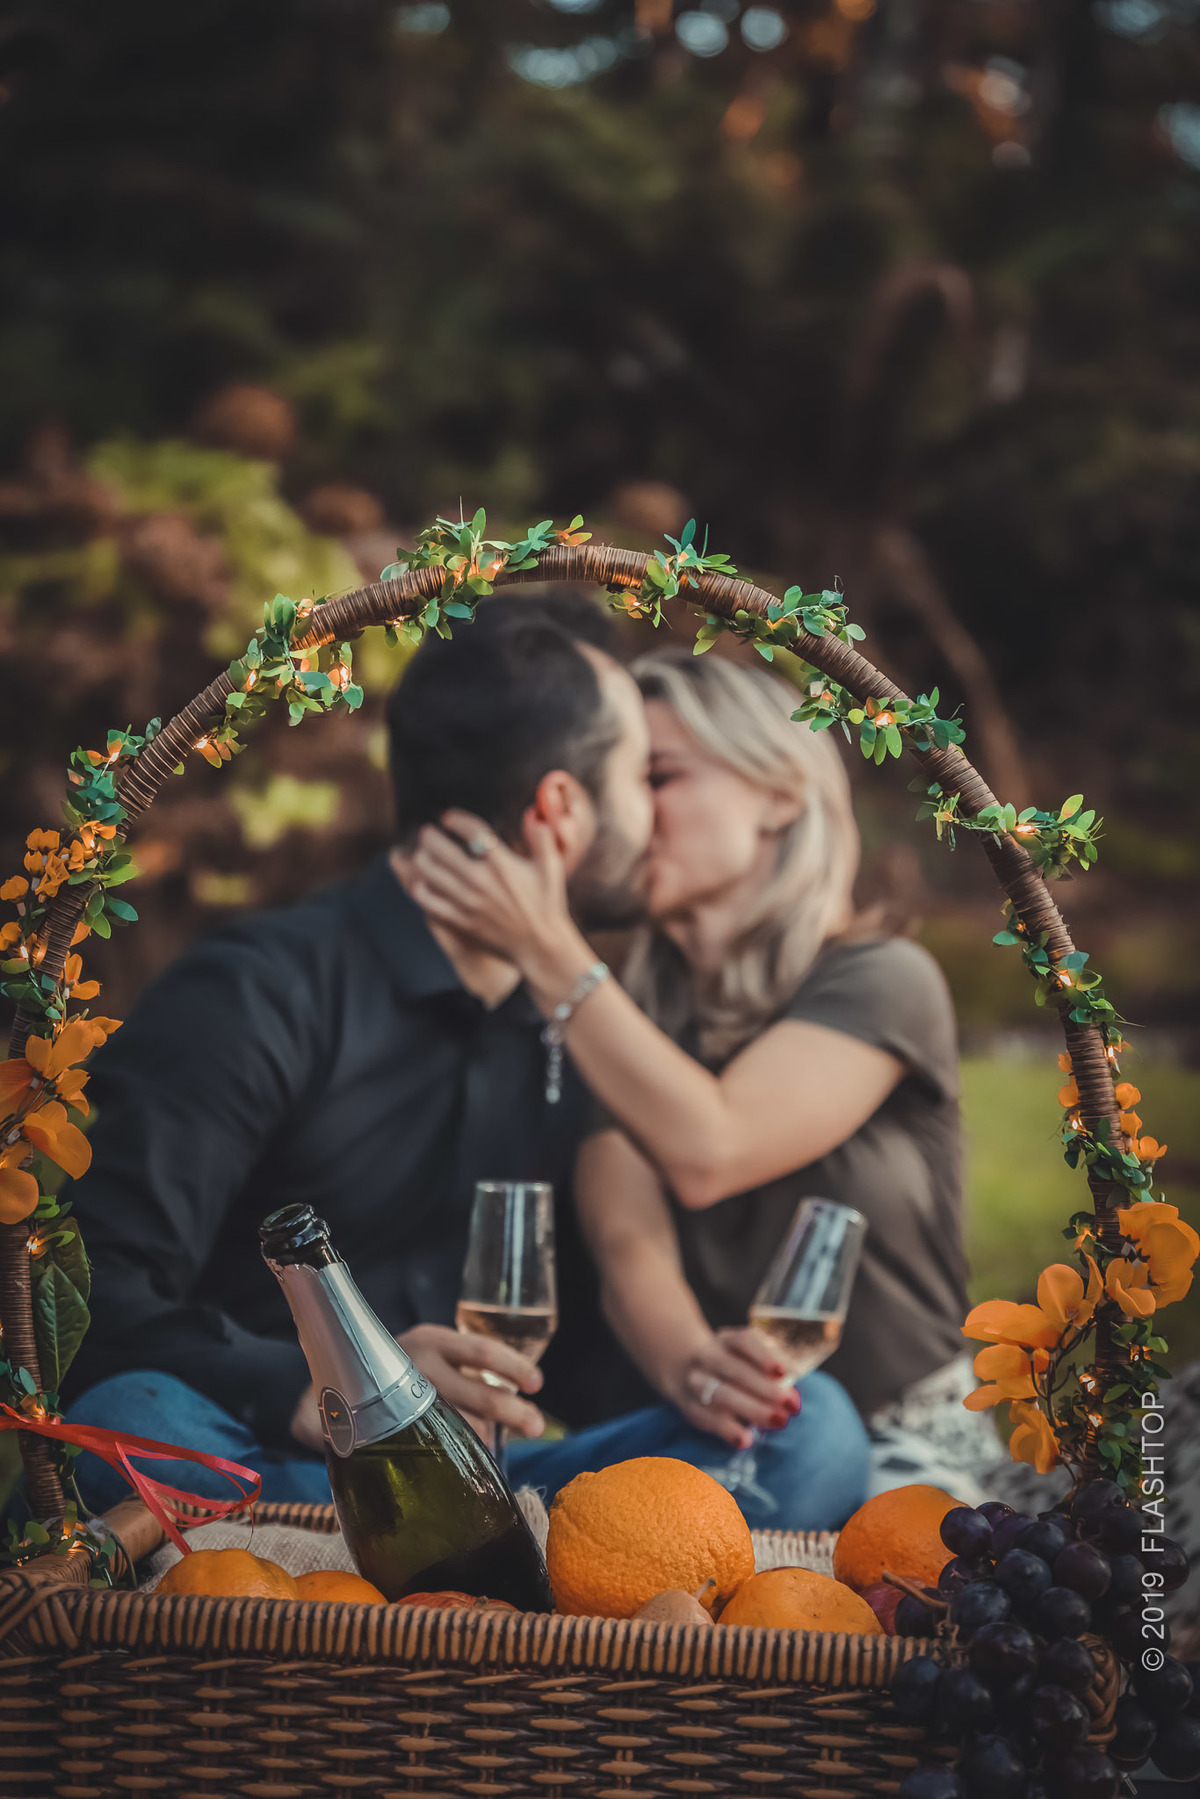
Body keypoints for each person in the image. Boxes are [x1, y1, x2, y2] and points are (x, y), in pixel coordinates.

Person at [62, 596, 862, 1529]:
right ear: (561, 808)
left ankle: (467, 1545)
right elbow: (81, 1299)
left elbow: (588, 1322)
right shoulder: (256, 994)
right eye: (644, 777)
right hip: (270, 1456)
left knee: (816, 1437)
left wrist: (698, 1369)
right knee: (127, 1427)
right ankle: (485, 1558)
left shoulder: (581, 1023)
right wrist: (331, 1386)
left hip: (484, 1480)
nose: (656, 818)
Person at [409, 647, 998, 1507]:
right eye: (619, 782)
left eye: (660, 776)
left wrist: (546, 946)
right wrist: (693, 1363)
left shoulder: (881, 978)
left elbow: (711, 1145)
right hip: (734, 1439)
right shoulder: (624, 1020)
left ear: (780, 793)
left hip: (911, 1450)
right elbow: (627, 1240)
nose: (630, 814)